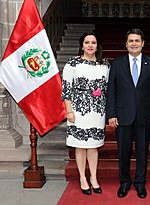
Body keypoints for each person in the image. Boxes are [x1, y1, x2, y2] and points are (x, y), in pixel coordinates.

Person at [106, 28, 150, 199]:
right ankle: (124, 183)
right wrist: (111, 114)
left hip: (144, 117)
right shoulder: (117, 64)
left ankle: (140, 183)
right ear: (126, 44)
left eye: (137, 40)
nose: (134, 43)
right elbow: (111, 91)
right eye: (131, 41)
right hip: (122, 117)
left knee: (142, 152)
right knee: (123, 152)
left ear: (143, 43)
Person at [62, 32, 109, 195]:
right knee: (80, 146)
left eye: (93, 43)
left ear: (97, 46)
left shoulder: (105, 65)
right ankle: (83, 177)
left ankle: (94, 178)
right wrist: (69, 111)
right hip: (77, 111)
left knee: (94, 146)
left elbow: (107, 88)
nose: (90, 45)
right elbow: (66, 89)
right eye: (87, 42)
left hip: (97, 111)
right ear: (82, 45)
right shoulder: (72, 64)